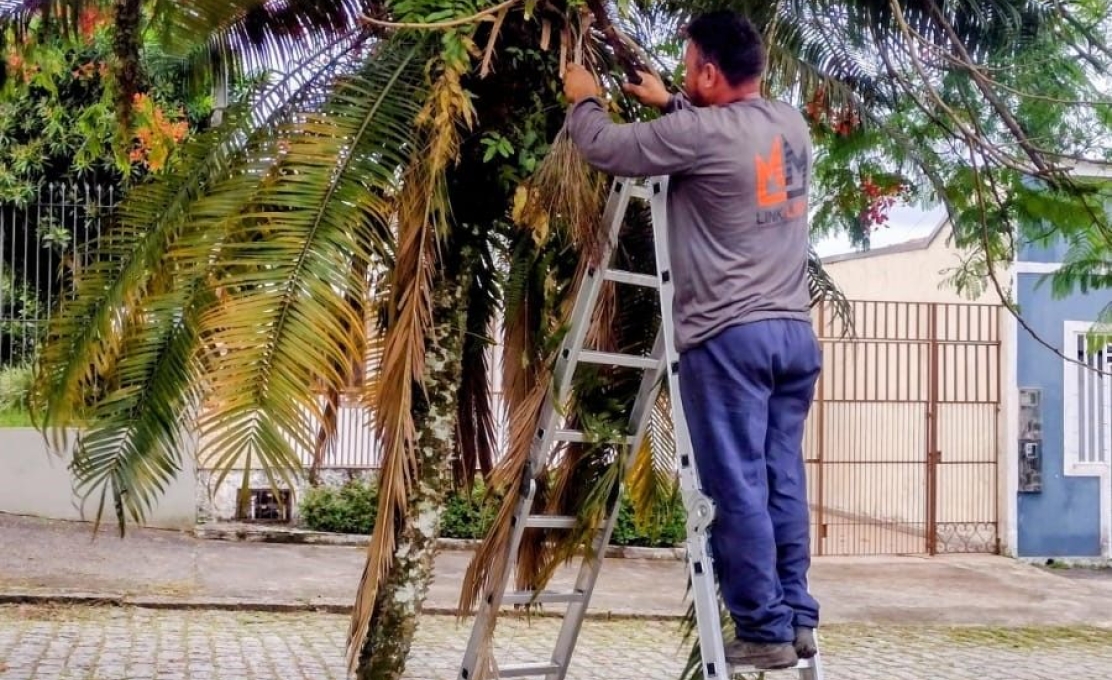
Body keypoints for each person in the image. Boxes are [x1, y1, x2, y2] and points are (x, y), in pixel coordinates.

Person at [561, 10, 822, 671]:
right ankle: (796, 618)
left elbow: (609, 148)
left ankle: (763, 631)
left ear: (710, 71)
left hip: (729, 337)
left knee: (734, 485)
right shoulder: (790, 123)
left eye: (688, 67)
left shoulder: (698, 134)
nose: (683, 75)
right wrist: (674, 101)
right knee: (780, 479)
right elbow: (724, 137)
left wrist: (584, 98)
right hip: (792, 335)